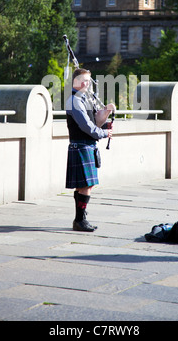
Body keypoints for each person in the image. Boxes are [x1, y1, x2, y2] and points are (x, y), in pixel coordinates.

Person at [65, 68, 115, 232]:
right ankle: (79, 220)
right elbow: (86, 126)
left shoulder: (84, 98)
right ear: (75, 82)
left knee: (85, 186)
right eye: (84, 80)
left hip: (87, 145)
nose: (87, 84)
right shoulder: (74, 100)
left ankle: (80, 219)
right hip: (80, 145)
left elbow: (96, 122)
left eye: (88, 81)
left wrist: (106, 113)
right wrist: (103, 133)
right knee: (86, 185)